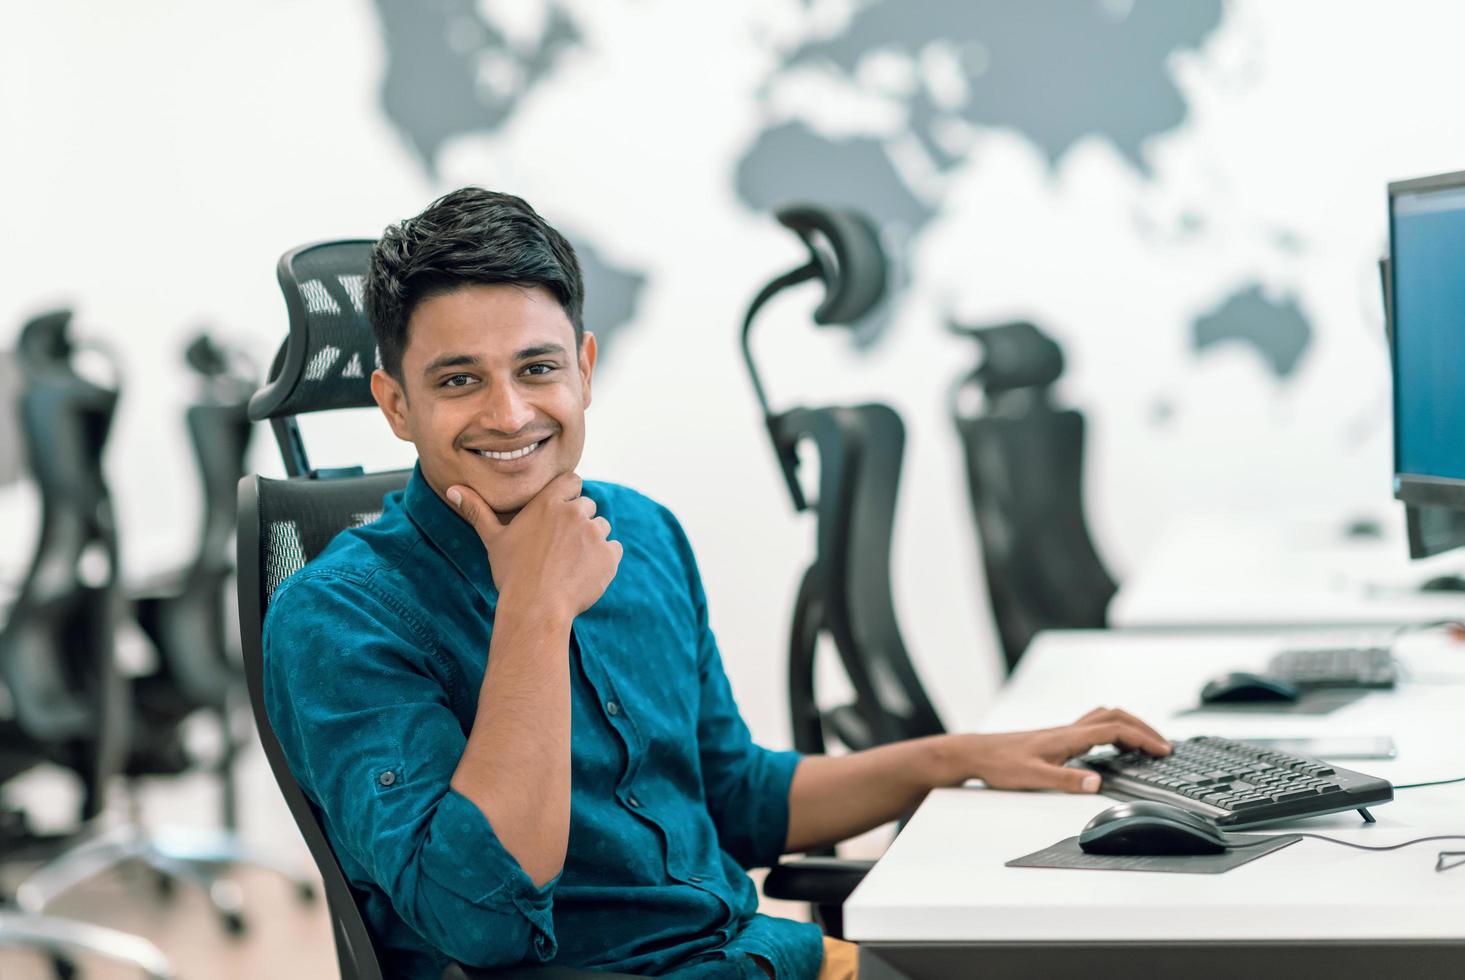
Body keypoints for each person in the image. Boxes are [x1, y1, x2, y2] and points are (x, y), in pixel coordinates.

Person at [262, 188, 1171, 980]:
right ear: (395, 404)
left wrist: (958, 757)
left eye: (537, 368)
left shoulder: (645, 535)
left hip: (766, 958)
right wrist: (535, 610)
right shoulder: (335, 617)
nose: (510, 414)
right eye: (459, 380)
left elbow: (732, 795)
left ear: (582, 369)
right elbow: (480, 917)